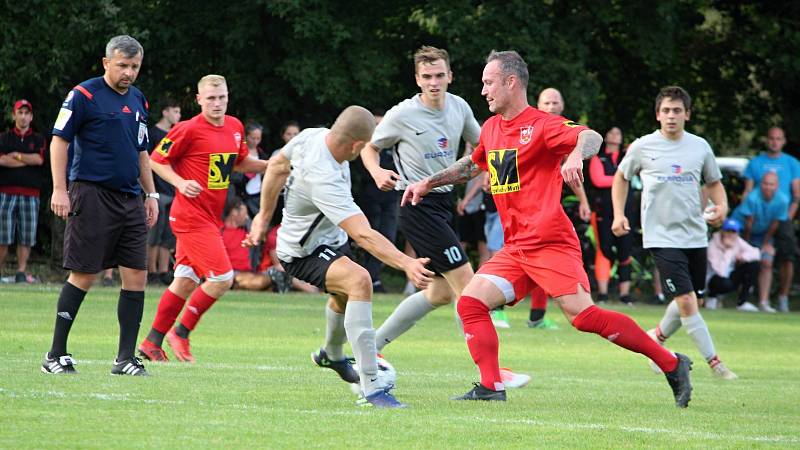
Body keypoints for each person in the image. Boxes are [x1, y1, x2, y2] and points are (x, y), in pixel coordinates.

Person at [404, 50, 692, 406]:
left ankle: (671, 363)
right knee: (472, 304)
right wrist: (428, 183)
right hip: (516, 248)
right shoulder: (493, 127)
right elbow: (473, 164)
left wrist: (573, 154)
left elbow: (591, 138)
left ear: (511, 82)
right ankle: (491, 387)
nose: (483, 91)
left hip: (549, 242)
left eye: (488, 82)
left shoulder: (541, 125)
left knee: (585, 317)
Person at [359, 46, 530, 388]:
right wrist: (377, 172)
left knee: (439, 293)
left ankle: (370, 347)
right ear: (417, 79)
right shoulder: (402, 114)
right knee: (469, 286)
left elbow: (487, 148)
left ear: (450, 76)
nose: (434, 83)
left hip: (444, 204)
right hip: (416, 205)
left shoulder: (460, 107)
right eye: (426, 77)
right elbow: (369, 146)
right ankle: (493, 375)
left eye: (439, 76)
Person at [245, 105, 433, 408]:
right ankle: (372, 386)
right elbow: (364, 234)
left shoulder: (311, 136)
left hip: (329, 241)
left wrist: (262, 218)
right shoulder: (325, 177)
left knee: (345, 296)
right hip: (302, 252)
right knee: (360, 281)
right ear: (357, 145)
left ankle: (331, 355)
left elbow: (278, 165)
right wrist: (407, 262)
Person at [42, 35, 157, 376]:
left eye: (134, 66)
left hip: (130, 198)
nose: (129, 73)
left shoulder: (139, 100)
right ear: (106, 62)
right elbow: (59, 141)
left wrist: (150, 195)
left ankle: (125, 359)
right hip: (91, 194)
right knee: (85, 273)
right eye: (122, 65)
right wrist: (59, 189)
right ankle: (55, 354)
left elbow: (141, 153)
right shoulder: (84, 95)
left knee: (137, 274)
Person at [137, 74, 267, 364]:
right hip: (189, 217)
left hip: (210, 217)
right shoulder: (188, 129)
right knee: (222, 278)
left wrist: (272, 166)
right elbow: (156, 160)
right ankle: (181, 332)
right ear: (198, 100)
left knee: (184, 281)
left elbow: (239, 162)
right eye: (210, 98)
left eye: (221, 97)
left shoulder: (234, 127)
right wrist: (181, 183)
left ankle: (151, 343)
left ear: (228, 97)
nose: (217, 103)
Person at [612, 85, 737, 381]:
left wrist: (722, 207)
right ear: (658, 115)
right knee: (686, 301)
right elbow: (621, 177)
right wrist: (618, 214)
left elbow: (714, 182)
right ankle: (716, 363)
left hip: (695, 234)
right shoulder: (643, 146)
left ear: (687, 115)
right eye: (666, 110)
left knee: (693, 299)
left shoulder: (700, 147)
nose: (671, 116)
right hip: (661, 237)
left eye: (677, 111)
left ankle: (655, 337)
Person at [741, 127, 799, 313]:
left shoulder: (792, 163)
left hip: (782, 217)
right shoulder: (755, 163)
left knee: (787, 256)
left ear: (783, 141)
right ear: (767, 140)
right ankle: (744, 296)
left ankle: (782, 297)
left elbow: (796, 195)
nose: (775, 142)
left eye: (778, 139)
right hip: (757, 215)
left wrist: (786, 219)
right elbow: (748, 192)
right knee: (747, 254)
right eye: (772, 138)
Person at [351, 110, 400, 293]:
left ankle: (373, 278)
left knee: (388, 237)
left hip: (390, 197)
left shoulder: (394, 145)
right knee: (369, 237)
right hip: (369, 197)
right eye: (375, 125)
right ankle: (368, 278)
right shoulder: (364, 147)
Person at [0, 99, 46, 283]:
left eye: (27, 113)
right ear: (14, 115)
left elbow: (38, 160)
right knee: (3, 235)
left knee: (26, 235)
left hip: (30, 194)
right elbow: (2, 161)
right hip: (5, 193)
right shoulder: (4, 138)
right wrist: (26, 160)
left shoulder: (38, 139)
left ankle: (21, 272)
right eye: (20, 112)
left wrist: (17, 155)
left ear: (31, 117)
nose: (24, 116)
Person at [588, 126, 635, 304]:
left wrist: (616, 177)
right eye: (612, 133)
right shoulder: (598, 158)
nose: (615, 135)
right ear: (605, 137)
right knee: (604, 250)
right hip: (603, 213)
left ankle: (625, 295)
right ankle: (603, 294)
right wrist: (621, 178)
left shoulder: (627, 158)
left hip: (627, 212)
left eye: (618, 133)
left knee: (625, 251)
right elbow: (598, 180)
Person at [731, 171, 789, 312]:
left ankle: (763, 302)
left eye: (771, 184)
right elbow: (748, 224)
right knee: (741, 262)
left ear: (777, 186)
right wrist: (746, 247)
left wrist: (765, 244)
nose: (767, 187)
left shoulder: (783, 200)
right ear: (760, 184)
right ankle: (736, 300)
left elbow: (775, 224)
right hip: (741, 233)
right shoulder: (752, 198)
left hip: (762, 235)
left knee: (767, 262)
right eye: (765, 183)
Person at [146, 99, 181, 285]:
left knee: (169, 235)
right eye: (175, 111)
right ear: (165, 112)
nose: (178, 116)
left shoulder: (177, 135)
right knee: (154, 233)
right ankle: (150, 272)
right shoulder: (153, 134)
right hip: (158, 191)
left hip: (173, 190)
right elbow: (147, 163)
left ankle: (163, 271)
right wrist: (150, 191)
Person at [220, 197, 288, 291]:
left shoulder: (249, 230)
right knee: (257, 282)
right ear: (234, 212)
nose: (247, 217)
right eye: (245, 214)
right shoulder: (219, 232)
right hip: (232, 273)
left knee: (270, 276)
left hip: (254, 272)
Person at [705, 218, 760, 311]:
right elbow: (719, 270)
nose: (730, 234)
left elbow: (756, 253)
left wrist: (743, 257)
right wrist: (727, 249)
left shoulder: (738, 241)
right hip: (713, 279)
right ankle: (711, 298)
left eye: (733, 232)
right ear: (722, 231)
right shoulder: (712, 244)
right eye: (728, 231)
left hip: (729, 277)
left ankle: (742, 303)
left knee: (753, 266)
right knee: (722, 282)